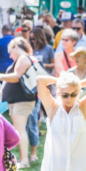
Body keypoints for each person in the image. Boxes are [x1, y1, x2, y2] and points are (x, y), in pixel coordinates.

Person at [0, 37, 36, 168]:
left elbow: (16, 77)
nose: (9, 56)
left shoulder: (24, 58)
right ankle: (23, 159)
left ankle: (24, 160)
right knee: (19, 129)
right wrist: (1, 92)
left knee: (20, 130)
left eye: (10, 52)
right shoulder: (23, 58)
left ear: (16, 47)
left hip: (22, 100)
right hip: (18, 100)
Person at [27, 27, 55, 161]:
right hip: (33, 84)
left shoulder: (48, 48)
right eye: (31, 39)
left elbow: (53, 64)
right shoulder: (31, 49)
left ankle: (52, 130)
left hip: (47, 82)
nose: (33, 41)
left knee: (49, 108)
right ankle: (37, 131)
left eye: (34, 38)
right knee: (36, 113)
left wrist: (41, 65)